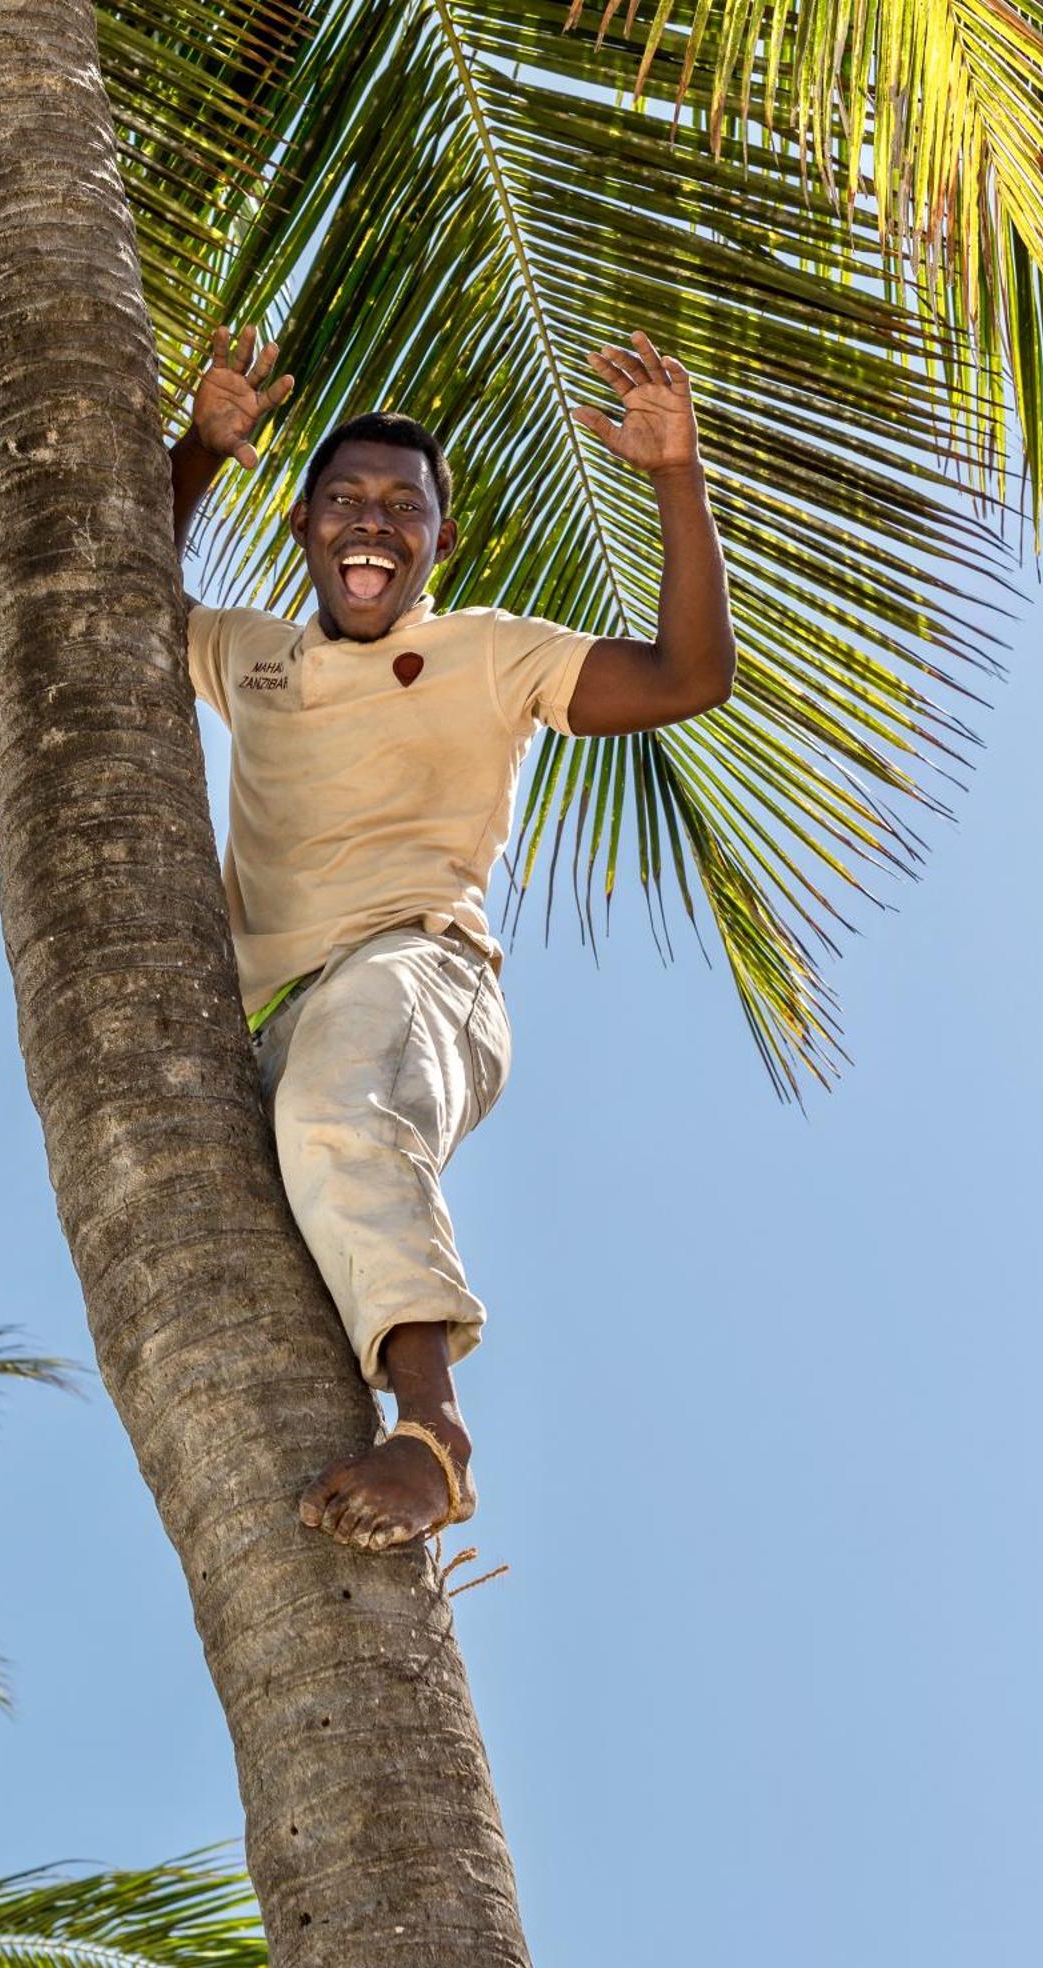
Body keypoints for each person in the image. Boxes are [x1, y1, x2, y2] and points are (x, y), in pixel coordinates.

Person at [168, 324, 735, 1556]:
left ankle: (434, 1437)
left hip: (417, 972)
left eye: (402, 506)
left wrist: (675, 476)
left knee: (333, 1105)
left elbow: (688, 676)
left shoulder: (491, 652)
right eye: (343, 500)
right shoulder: (250, 654)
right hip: (256, 1019)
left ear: (439, 540)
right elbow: (103, 607)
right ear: (305, 527)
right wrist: (200, 452)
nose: (371, 522)